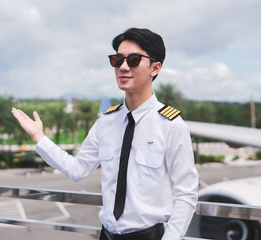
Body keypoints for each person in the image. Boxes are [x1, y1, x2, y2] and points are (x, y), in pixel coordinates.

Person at [12, 27, 198, 240]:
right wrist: (39, 137)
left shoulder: (172, 125)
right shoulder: (106, 122)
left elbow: (186, 194)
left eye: (134, 60)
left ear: (155, 68)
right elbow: (77, 169)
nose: (123, 67)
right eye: (117, 60)